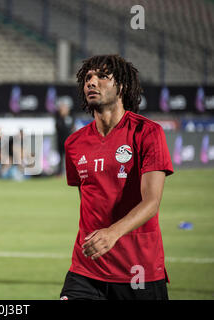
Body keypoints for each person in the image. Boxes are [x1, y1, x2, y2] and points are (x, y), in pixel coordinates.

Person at [60, 54, 173, 300]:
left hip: (138, 270)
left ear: (121, 85)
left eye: (102, 76)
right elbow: (89, 199)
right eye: (88, 77)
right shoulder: (74, 143)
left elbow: (151, 202)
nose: (92, 82)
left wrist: (112, 233)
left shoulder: (148, 133)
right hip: (86, 269)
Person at [54, 101, 74, 176]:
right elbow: (59, 128)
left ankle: (71, 172)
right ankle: (59, 172)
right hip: (61, 142)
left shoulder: (71, 117)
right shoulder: (58, 118)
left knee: (70, 158)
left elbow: (72, 128)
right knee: (61, 158)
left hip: (69, 142)